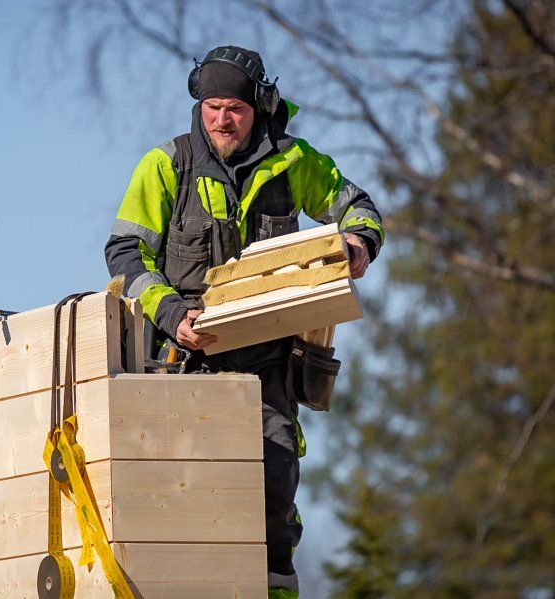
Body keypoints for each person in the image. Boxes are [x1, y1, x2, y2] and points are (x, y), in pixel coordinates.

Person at [104, 46, 384, 597]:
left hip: (268, 371)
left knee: (272, 504)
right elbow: (124, 253)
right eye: (211, 106)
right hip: (183, 367)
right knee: (183, 507)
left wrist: (357, 243)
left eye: (234, 107)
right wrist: (170, 310)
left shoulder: (293, 162)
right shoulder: (166, 165)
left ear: (258, 106)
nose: (222, 120)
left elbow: (360, 206)